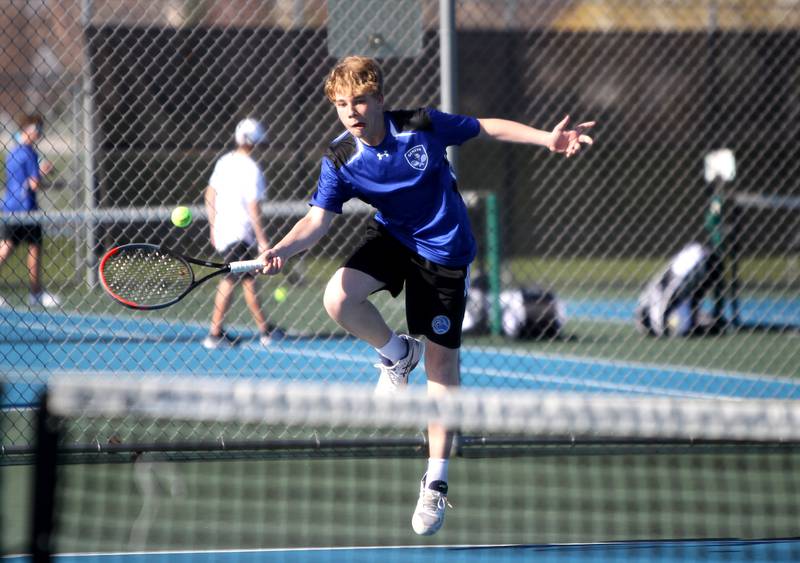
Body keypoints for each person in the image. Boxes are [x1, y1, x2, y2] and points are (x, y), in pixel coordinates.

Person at [259, 56, 595, 535]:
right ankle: (397, 355)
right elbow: (316, 221)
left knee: (442, 368)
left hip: (445, 254)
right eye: (341, 105)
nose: (351, 112)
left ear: (378, 99)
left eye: (359, 101)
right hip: (395, 239)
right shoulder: (338, 159)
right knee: (338, 298)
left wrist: (548, 138)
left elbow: (486, 128)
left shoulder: (420, 125)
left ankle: (435, 482)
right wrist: (283, 248)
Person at [202, 118, 283, 349]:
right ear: (253, 142)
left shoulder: (224, 161)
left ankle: (265, 329)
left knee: (248, 280)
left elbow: (209, 195)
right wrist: (262, 240)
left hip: (227, 231)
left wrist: (213, 226)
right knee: (230, 279)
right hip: (241, 233)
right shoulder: (252, 168)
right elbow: (253, 207)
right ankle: (214, 333)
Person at [0, 113, 59, 308]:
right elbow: (33, 184)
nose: (39, 135)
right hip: (23, 209)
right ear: (29, 130)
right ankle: (35, 293)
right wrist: (43, 171)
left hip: (15, 207)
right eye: (38, 131)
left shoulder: (13, 152)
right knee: (13, 248)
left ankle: (36, 292)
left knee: (31, 247)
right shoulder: (28, 153)